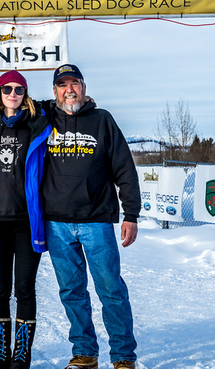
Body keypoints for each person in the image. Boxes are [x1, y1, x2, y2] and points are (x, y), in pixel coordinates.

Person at [42, 64, 140, 369]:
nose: (69, 89)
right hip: (56, 223)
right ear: (55, 91)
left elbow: (124, 168)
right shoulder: (45, 118)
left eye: (75, 83)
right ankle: (84, 352)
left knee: (110, 289)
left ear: (84, 88)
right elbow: (11, 104)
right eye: (62, 85)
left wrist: (131, 213)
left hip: (96, 220)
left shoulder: (102, 120)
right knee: (72, 292)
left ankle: (123, 355)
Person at [0, 71, 51, 369]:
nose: (13, 94)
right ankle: (1, 353)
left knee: (25, 289)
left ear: (26, 94)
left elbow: (58, 105)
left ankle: (22, 354)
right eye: (7, 89)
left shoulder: (36, 123)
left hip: (26, 221)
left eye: (19, 90)